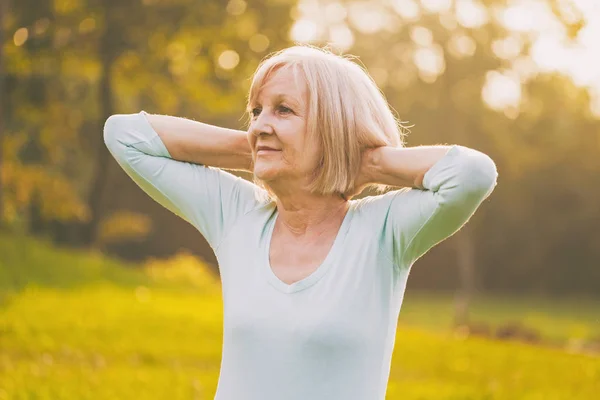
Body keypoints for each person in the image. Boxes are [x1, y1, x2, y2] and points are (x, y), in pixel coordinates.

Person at [104, 44, 498, 400]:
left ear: (334, 127)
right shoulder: (238, 216)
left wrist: (365, 159)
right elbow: (125, 136)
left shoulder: (382, 231)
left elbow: (472, 175)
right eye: (256, 111)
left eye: (283, 109)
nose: (258, 123)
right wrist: (262, 148)